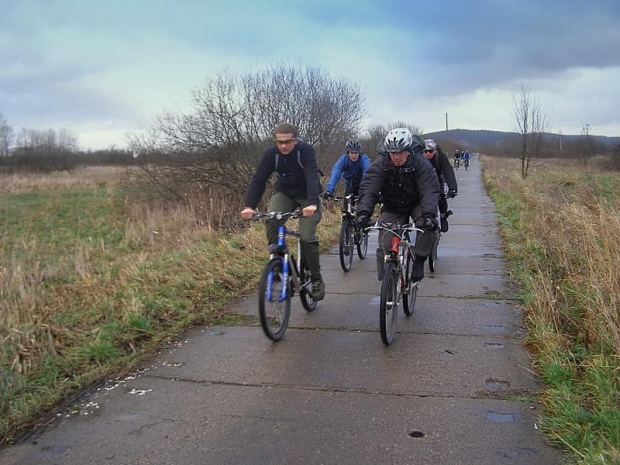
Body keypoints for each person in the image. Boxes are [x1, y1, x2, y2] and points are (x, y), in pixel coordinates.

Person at [241, 123, 325, 301]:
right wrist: (249, 205)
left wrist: (312, 204)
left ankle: (316, 279)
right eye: (280, 142)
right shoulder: (271, 155)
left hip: (308, 196)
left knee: (306, 236)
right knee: (271, 219)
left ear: (295, 140)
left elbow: (311, 175)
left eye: (287, 141)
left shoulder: (305, 151)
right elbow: (259, 179)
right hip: (285, 193)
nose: (283, 146)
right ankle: (278, 262)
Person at [356, 128, 440, 282]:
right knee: (385, 245)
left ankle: (419, 260)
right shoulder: (381, 164)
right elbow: (369, 188)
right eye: (392, 152)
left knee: (426, 227)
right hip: (393, 206)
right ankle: (387, 282)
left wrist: (429, 214)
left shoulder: (420, 163)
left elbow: (429, 188)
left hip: (417, 203)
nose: (396, 157)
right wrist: (363, 213)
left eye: (400, 152)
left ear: (408, 151)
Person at [423, 139, 457, 232]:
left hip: (438, 180)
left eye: (431, 151)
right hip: (424, 182)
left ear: (435, 150)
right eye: (426, 152)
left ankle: (443, 216)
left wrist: (453, 188)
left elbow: (448, 171)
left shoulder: (440, 157)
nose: (428, 154)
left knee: (442, 197)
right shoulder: (419, 159)